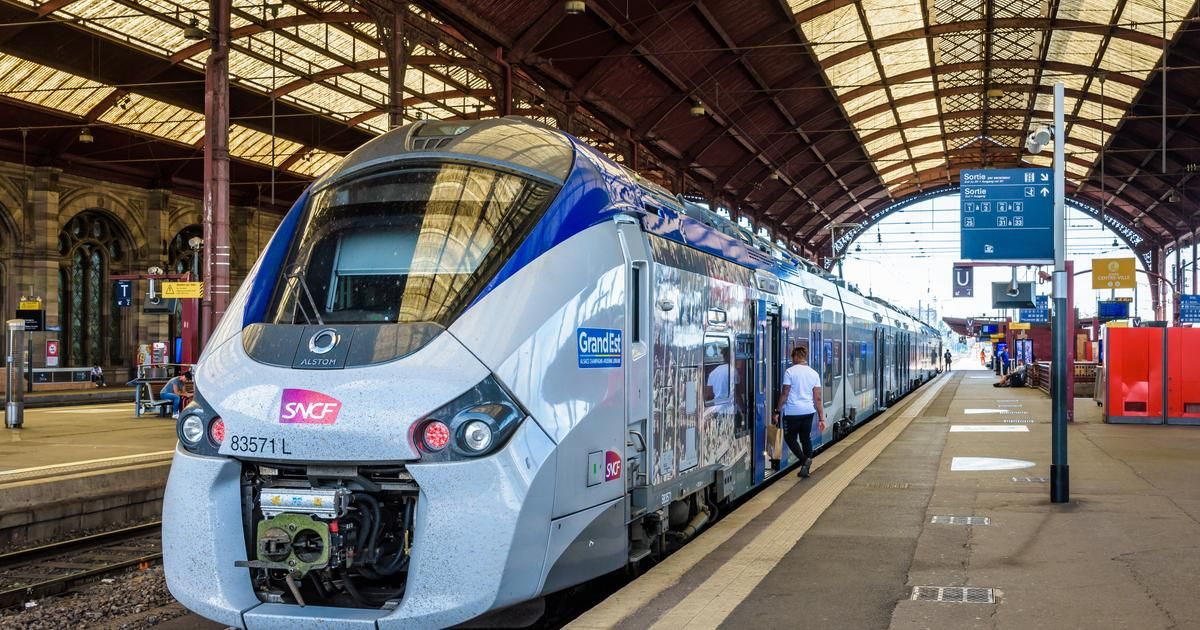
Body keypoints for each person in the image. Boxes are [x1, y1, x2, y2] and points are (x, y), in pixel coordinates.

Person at [773, 346, 824, 479]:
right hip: (808, 411)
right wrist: (821, 418)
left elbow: (785, 393)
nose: (792, 360)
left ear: (796, 356)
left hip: (792, 412)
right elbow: (817, 398)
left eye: (792, 357)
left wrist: (777, 411)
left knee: (790, 438)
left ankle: (804, 460)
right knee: (806, 438)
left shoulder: (790, 372)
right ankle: (805, 469)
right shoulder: (814, 373)